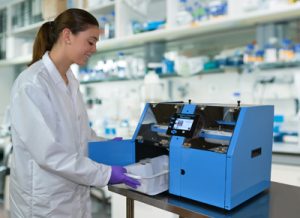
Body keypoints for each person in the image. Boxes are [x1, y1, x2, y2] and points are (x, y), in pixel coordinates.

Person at [9, 8, 140, 218]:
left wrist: (105, 146)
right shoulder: (31, 84)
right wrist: (105, 174)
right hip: (44, 205)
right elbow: (49, 154)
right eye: (90, 41)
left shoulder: (70, 81)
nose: (94, 49)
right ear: (67, 35)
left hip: (72, 199)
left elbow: (80, 137)